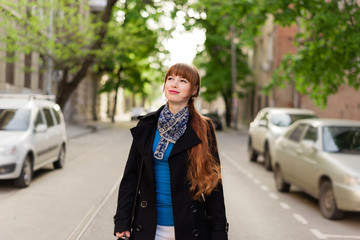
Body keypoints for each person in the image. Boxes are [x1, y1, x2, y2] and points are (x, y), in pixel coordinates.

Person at [114, 63, 228, 240]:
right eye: (170, 79)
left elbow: (213, 185)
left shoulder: (203, 128)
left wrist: (219, 232)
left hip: (189, 228)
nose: (174, 84)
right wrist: (122, 220)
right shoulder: (147, 125)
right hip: (148, 227)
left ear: (194, 90)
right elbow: (131, 177)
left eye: (183, 81)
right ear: (164, 85)